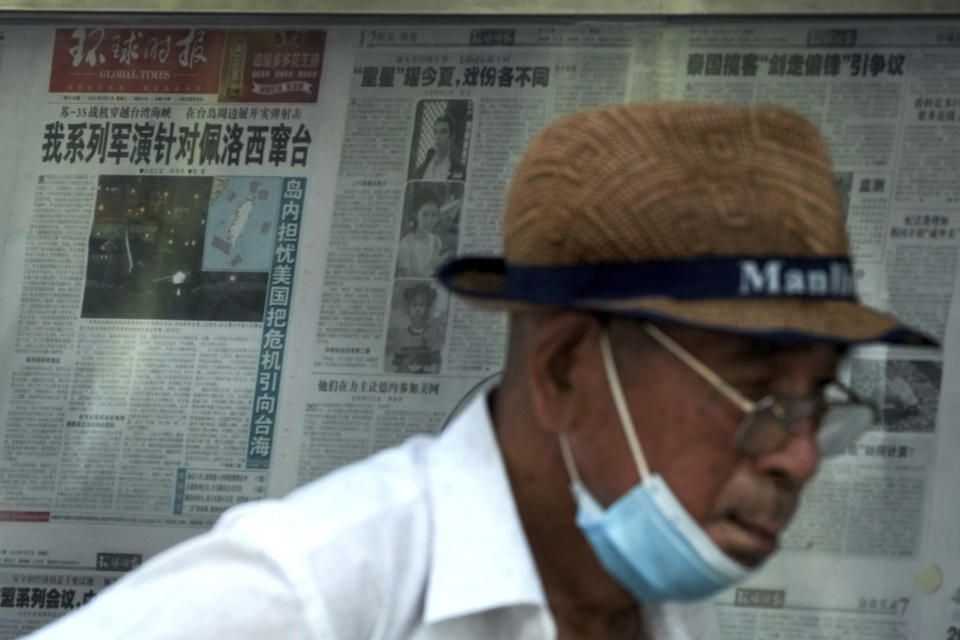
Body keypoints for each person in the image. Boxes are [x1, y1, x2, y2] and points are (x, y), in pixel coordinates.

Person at [26, 103, 934, 640]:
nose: (802, 457)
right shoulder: (302, 594)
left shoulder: (644, 611)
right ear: (570, 369)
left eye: (818, 401)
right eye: (760, 393)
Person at [389, 282, 444, 373]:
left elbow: (436, 363)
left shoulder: (432, 332)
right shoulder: (403, 333)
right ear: (409, 308)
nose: (418, 309)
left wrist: (424, 368)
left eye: (422, 305)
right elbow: (396, 364)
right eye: (414, 305)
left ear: (427, 307)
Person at [396, 194, 444, 277]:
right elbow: (409, 282)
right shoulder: (405, 245)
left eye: (434, 215)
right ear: (415, 215)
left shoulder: (436, 241)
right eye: (425, 214)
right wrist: (431, 266)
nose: (430, 220)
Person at [412, 112, 466, 181]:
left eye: (443, 132)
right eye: (435, 132)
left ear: (452, 137)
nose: (438, 137)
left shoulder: (460, 170)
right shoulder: (422, 167)